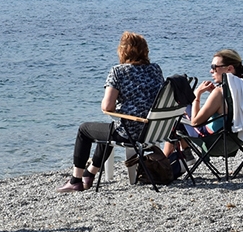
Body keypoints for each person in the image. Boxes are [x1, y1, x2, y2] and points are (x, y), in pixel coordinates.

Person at [57, 32, 164, 192]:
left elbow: (107, 107)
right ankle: (90, 173)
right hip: (154, 130)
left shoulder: (118, 71)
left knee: (84, 130)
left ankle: (75, 180)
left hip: (131, 132)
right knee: (110, 129)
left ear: (123, 51)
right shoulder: (155, 69)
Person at [163, 49, 243, 158]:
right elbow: (229, 106)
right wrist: (213, 95)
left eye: (214, 67)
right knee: (179, 121)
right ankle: (184, 152)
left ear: (229, 69)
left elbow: (194, 122)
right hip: (236, 139)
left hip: (211, 140)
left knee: (177, 112)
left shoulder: (220, 92)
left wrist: (197, 94)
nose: (211, 71)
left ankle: (164, 161)